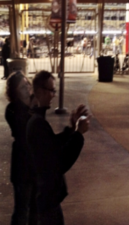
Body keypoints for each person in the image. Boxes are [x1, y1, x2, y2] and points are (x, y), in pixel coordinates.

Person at [27, 71, 89, 225]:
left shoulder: (36, 120)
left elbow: (52, 144)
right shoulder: (37, 124)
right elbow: (59, 163)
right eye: (51, 90)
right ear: (40, 91)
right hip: (46, 199)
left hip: (44, 197)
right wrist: (79, 134)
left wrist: (71, 129)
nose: (53, 95)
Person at [5, 72, 36, 225]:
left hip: (35, 163)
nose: (27, 88)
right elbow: (23, 132)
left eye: (27, 84)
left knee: (34, 208)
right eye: (22, 86)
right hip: (22, 165)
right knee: (22, 209)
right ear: (14, 91)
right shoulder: (12, 110)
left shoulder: (34, 105)